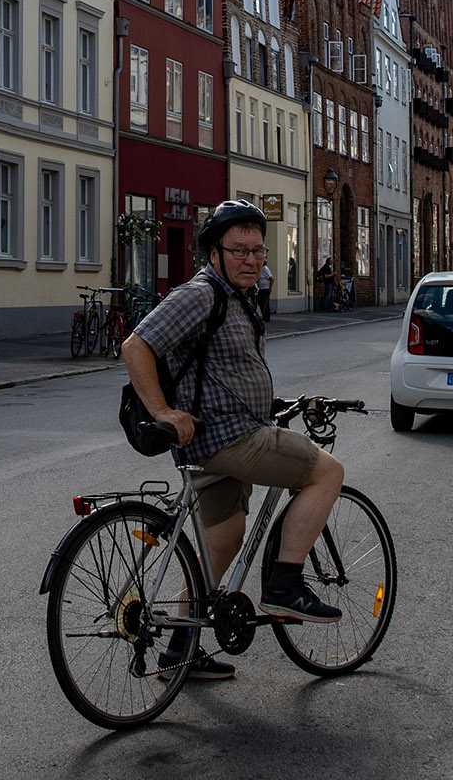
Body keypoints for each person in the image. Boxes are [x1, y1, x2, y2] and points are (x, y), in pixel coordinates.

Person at [121, 199, 347, 680]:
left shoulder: (240, 297)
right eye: (239, 250)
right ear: (214, 254)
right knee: (327, 473)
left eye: (258, 251)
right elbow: (135, 345)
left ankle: (179, 652)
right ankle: (285, 585)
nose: (251, 259)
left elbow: (227, 370)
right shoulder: (200, 294)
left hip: (224, 436)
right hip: (229, 439)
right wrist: (162, 411)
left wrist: (275, 402)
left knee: (222, 544)